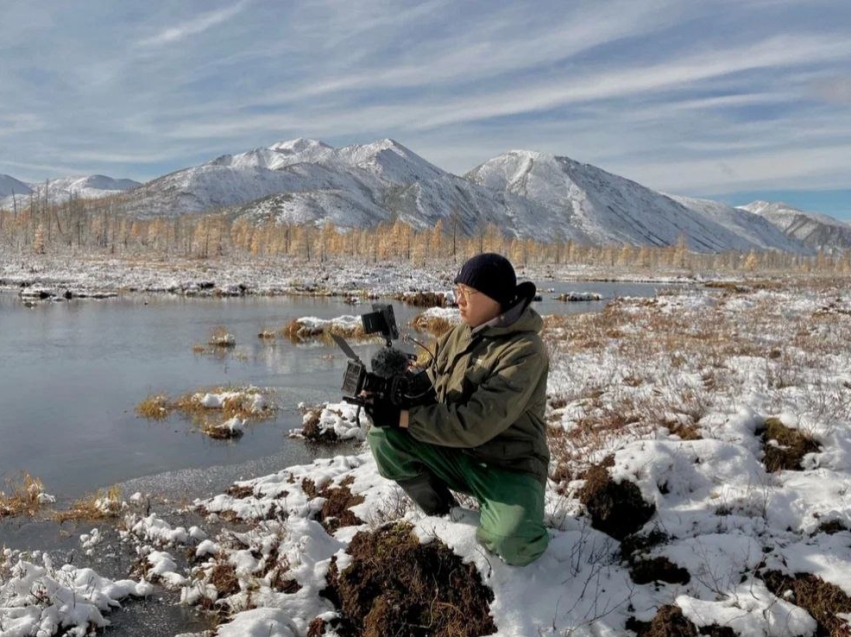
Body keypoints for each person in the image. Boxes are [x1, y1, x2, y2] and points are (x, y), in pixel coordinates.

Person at [366, 253, 550, 566]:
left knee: (513, 542)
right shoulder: (461, 332)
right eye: (457, 291)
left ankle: (517, 521)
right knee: (384, 438)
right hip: (460, 454)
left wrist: (404, 417)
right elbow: (429, 374)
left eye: (467, 293)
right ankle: (444, 515)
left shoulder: (525, 352)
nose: (458, 300)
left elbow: (474, 424)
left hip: (509, 464)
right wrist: (397, 383)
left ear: (495, 298)